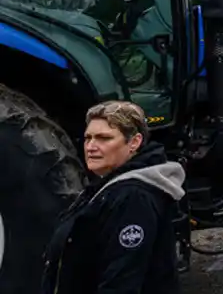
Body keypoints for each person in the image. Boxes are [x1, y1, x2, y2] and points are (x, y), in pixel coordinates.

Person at [40, 101, 186, 294]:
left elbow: (122, 280)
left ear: (134, 142)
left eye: (104, 138)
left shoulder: (133, 198)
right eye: (88, 138)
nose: (91, 147)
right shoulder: (104, 188)